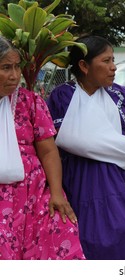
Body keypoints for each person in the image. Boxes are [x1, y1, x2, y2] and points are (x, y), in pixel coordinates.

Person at [46, 35, 125, 260]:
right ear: (84, 66)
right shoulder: (63, 96)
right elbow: (61, 141)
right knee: (111, 234)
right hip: (88, 176)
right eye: (106, 61)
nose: (113, 67)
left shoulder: (122, 95)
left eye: (113, 60)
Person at [0, 36, 85, 260]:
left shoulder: (30, 102)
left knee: (58, 239)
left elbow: (48, 151)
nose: (15, 75)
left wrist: (56, 192)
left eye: (17, 67)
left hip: (32, 193)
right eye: (6, 67)